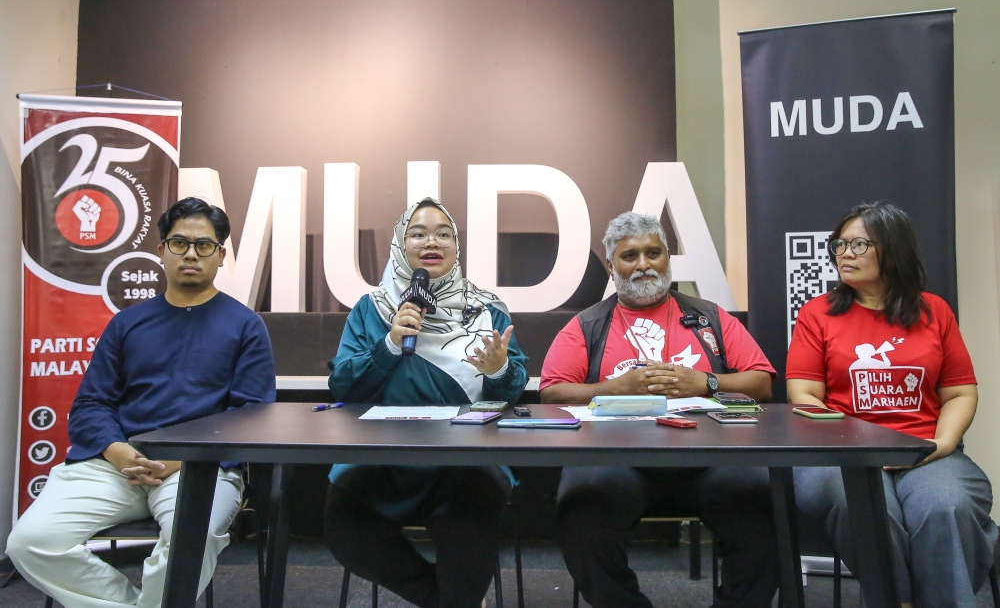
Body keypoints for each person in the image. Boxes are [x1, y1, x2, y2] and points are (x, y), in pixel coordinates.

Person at [6, 197, 277, 608]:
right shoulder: (127, 323)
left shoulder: (245, 326)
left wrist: (176, 459)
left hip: (199, 466)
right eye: (179, 242)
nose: (190, 253)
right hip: (119, 464)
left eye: (204, 245)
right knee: (30, 542)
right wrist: (120, 452)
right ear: (161, 251)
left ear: (221, 256)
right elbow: (89, 405)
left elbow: (251, 418)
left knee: (193, 537)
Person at [540, 211, 779, 608]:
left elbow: (762, 383)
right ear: (613, 266)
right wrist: (616, 388)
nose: (643, 264)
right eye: (629, 256)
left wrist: (707, 383)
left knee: (763, 511)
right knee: (581, 514)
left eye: (653, 253)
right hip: (617, 461)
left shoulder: (710, 318)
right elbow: (552, 393)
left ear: (668, 258)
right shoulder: (587, 325)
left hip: (712, 458)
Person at [788, 201, 997, 608]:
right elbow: (804, 396)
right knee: (867, 506)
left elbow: (960, 393)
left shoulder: (934, 311)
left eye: (859, 244)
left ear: (894, 249)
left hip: (924, 448)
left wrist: (941, 445)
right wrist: (854, 445)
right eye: (840, 244)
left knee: (947, 507)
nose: (844, 254)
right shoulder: (818, 314)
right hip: (842, 453)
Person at [324, 198, 528, 608]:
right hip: (381, 454)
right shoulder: (373, 309)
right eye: (418, 233)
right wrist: (389, 344)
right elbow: (343, 386)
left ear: (456, 246)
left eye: (443, 233)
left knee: (471, 527)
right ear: (401, 245)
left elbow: (514, 390)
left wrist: (498, 370)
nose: (431, 241)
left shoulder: (487, 309)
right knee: (345, 525)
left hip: (466, 458)